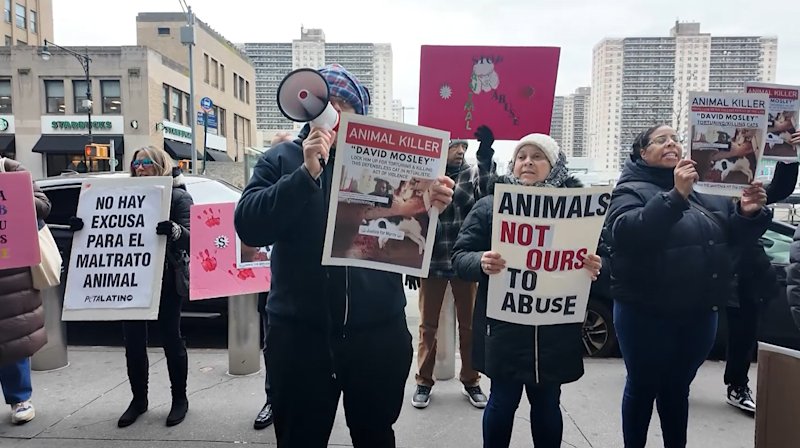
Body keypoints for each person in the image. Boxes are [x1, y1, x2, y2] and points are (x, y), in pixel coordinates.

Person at [234, 63, 455, 448]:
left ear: (360, 115)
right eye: (323, 102)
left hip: (376, 334)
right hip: (301, 337)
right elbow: (249, 227)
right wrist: (303, 176)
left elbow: (420, 247)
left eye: (341, 103)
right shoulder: (282, 159)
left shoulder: (392, 166)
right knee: (299, 437)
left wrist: (432, 208)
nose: (330, 110)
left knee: (375, 434)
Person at [605, 125, 770, 448]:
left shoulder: (708, 188)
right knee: (642, 388)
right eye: (661, 140)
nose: (671, 144)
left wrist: (749, 214)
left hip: (698, 312)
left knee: (678, 389)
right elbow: (625, 233)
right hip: (645, 312)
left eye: (676, 140)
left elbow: (732, 239)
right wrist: (675, 196)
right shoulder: (630, 189)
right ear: (642, 153)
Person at [451, 134, 603, 448]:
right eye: (522, 156)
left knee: (547, 403)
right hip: (506, 328)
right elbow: (459, 256)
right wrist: (480, 260)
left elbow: (607, 259)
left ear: (555, 165)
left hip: (554, 330)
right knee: (502, 402)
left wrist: (595, 264)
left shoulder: (578, 210)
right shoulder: (492, 206)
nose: (528, 162)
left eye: (537, 156)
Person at [68, 146, 194, 428]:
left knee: (171, 339)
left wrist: (174, 231)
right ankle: (139, 399)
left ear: (160, 164)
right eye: (136, 163)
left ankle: (180, 399)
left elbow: (193, 236)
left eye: (147, 162)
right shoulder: (122, 197)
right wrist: (82, 228)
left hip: (165, 280)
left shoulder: (177, 196)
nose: (140, 167)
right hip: (131, 279)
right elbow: (106, 228)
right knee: (133, 343)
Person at [410, 125, 496, 410]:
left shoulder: (472, 173)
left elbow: (489, 192)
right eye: (454, 145)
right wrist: (411, 261)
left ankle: (471, 380)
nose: (460, 151)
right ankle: (423, 381)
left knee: (470, 326)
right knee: (428, 326)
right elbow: (411, 216)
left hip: (464, 263)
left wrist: (485, 155)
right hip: (432, 262)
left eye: (464, 146)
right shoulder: (425, 177)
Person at [726, 132, 800, 413]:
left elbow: (780, 188)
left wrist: (791, 153)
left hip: (747, 272)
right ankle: (672, 380)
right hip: (705, 268)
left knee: (744, 331)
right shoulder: (698, 186)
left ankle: (737, 385)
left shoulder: (750, 189)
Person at [0, 156, 51, 425]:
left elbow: (43, 206)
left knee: (12, 338)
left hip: (12, 271)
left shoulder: (11, 169)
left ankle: (20, 398)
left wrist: (13, 195)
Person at [253, 132, 295, 431]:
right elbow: (249, 225)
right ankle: (273, 398)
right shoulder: (272, 176)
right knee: (274, 348)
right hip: (275, 293)